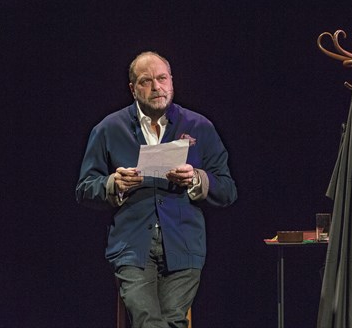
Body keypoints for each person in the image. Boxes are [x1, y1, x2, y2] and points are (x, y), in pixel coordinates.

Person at [76, 51, 237, 328]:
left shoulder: (199, 126)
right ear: (132, 88)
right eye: (146, 81)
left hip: (184, 242)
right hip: (132, 244)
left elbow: (227, 189)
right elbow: (84, 188)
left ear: (172, 80)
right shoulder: (109, 129)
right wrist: (113, 183)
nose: (156, 87)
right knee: (147, 320)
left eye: (162, 78)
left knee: (172, 320)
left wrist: (196, 178)